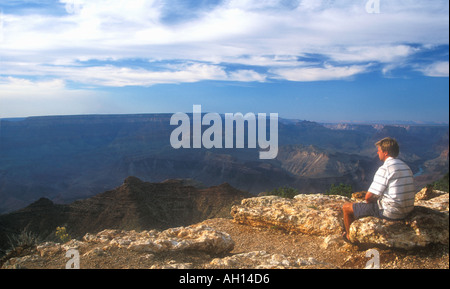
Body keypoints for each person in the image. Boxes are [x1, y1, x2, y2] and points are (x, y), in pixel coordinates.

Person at [342, 137, 415, 242]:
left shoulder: (385, 168)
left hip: (391, 212)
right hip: (408, 210)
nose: (377, 152)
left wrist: (373, 202)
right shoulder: (405, 166)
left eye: (379, 150)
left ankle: (350, 237)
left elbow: (368, 197)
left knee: (346, 208)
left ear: (385, 153)